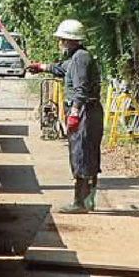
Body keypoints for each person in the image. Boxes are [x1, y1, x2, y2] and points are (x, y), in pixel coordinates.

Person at [29, 19, 103, 213]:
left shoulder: (80, 58)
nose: (59, 43)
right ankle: (88, 200)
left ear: (68, 40)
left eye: (61, 39)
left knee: (81, 155)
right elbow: (63, 69)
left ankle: (81, 202)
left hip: (85, 111)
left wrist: (75, 112)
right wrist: (42, 67)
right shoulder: (78, 57)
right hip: (89, 111)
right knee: (87, 154)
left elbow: (81, 88)